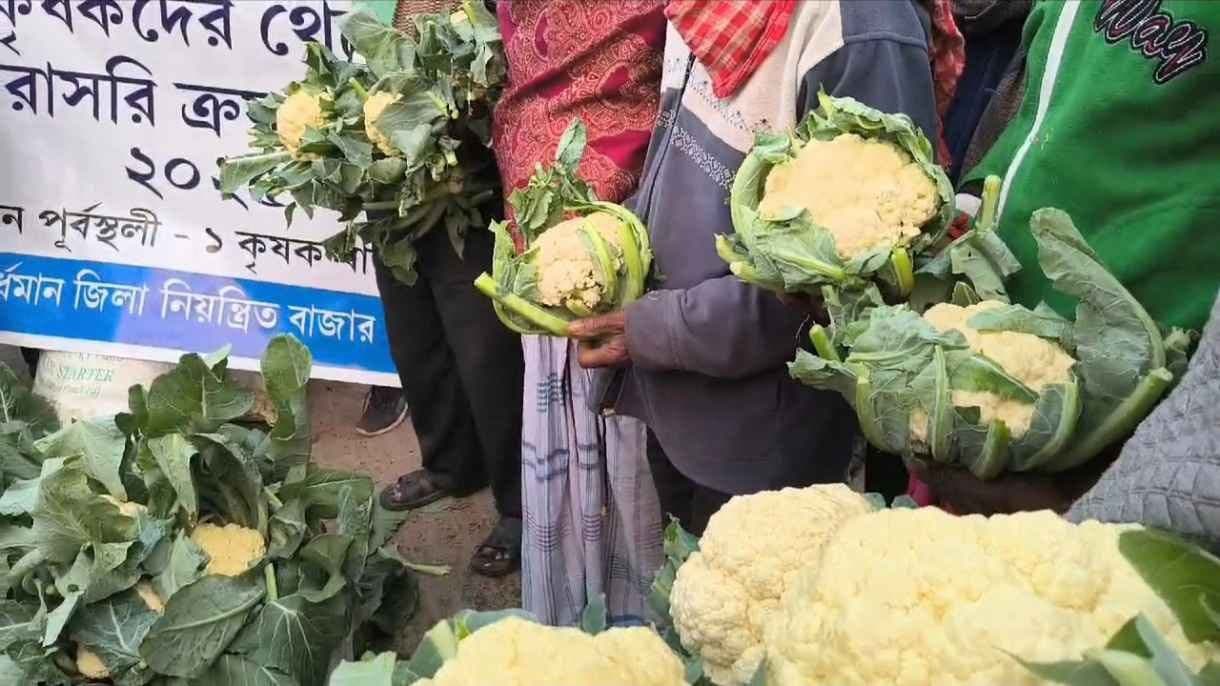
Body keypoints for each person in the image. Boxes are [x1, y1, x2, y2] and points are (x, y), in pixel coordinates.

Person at [570, 0, 949, 536]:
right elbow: (673, 161)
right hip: (676, 390)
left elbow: (841, 280)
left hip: (760, 429)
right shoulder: (708, 9)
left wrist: (662, 328)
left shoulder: (862, 28)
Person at [912, 0, 1220, 514]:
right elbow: (1041, 110)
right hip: (1001, 353)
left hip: (1126, 409)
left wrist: (1085, 496)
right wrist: (967, 205)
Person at [492, 0, 667, 625]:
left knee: (623, 423)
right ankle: (572, 600)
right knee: (562, 405)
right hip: (539, 209)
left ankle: (633, 610)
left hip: (625, 233)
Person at [375, 0, 525, 578]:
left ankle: (518, 506)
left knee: (487, 352)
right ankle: (450, 465)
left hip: (469, 174)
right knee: (415, 336)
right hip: (391, 181)